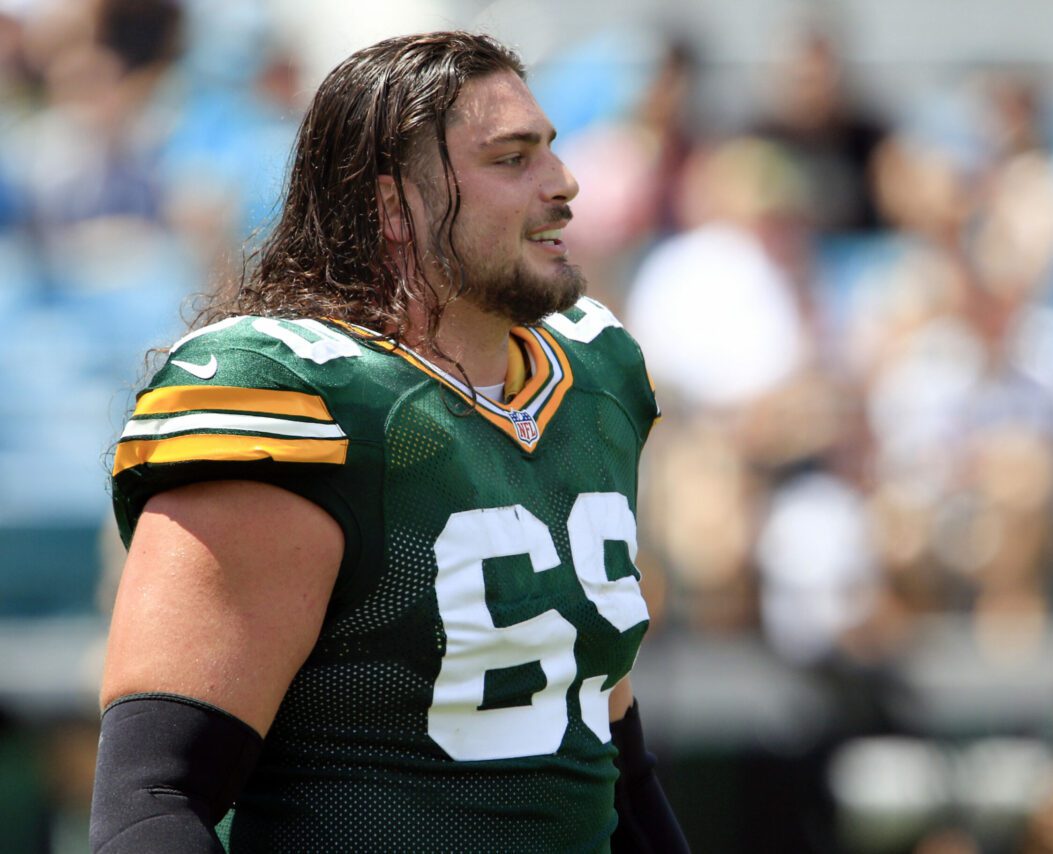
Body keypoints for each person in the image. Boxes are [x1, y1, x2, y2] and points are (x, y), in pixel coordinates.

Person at [89, 31, 688, 853]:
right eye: (511, 160)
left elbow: (610, 754)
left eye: (549, 149)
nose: (563, 183)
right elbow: (154, 802)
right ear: (392, 206)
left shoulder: (593, 377)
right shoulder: (299, 398)